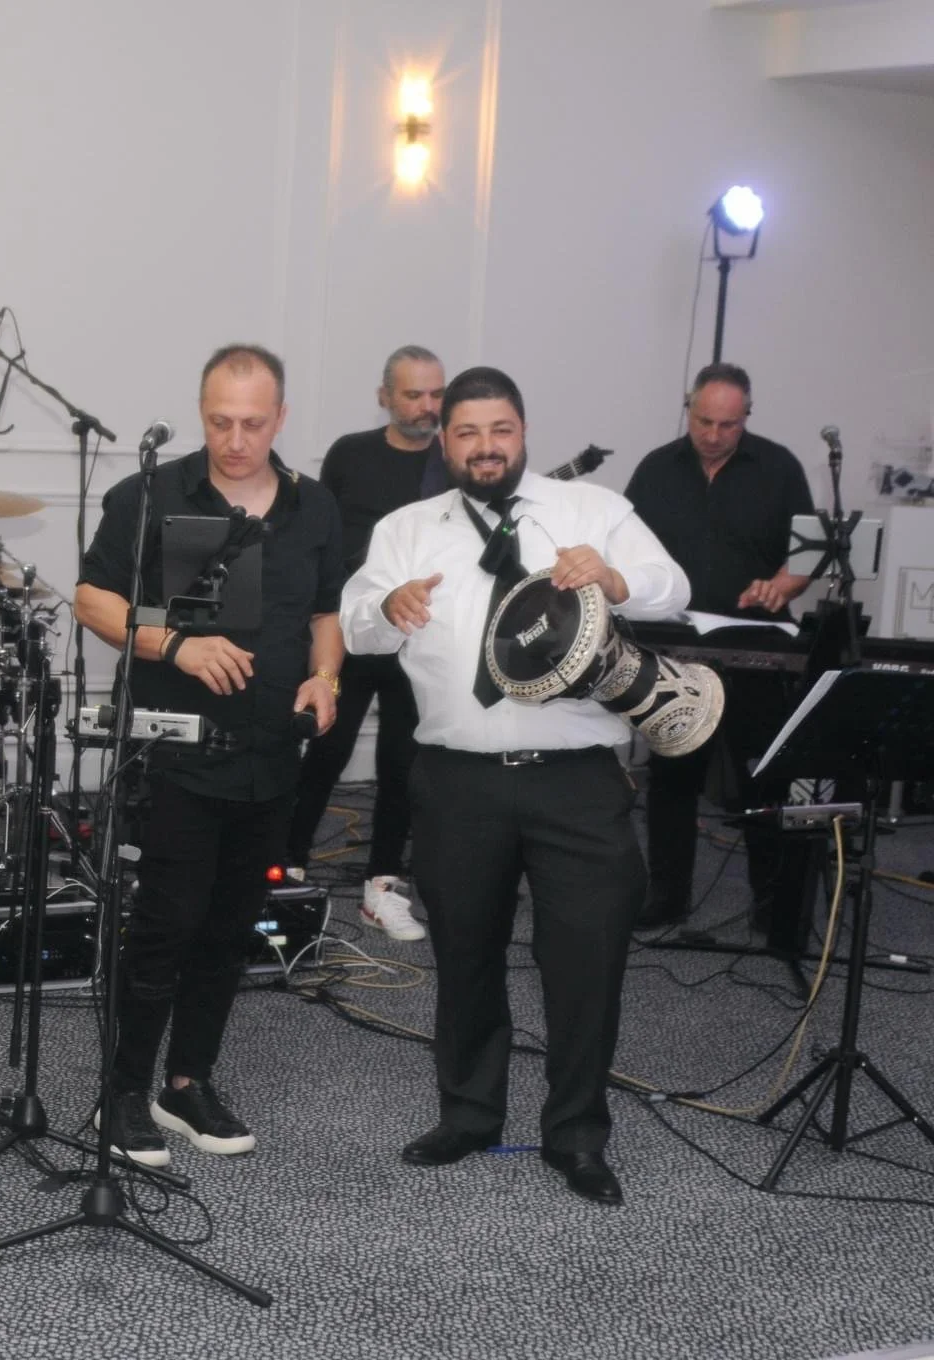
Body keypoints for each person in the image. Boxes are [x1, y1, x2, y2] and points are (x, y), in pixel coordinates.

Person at [340, 365, 688, 1206]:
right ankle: (468, 1116)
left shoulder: (593, 510)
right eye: (467, 432)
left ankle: (576, 1134)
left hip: (577, 782)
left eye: (499, 430)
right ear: (444, 438)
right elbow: (352, 623)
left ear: (522, 431)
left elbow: (674, 589)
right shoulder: (406, 528)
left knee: (587, 963)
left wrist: (612, 578)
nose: (484, 446)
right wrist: (389, 612)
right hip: (458, 783)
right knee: (464, 956)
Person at [74, 343, 344, 1167]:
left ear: (281, 419)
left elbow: (328, 612)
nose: (234, 439)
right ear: (200, 413)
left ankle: (186, 1084)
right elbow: (92, 597)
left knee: (230, 930)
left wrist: (327, 676)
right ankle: (121, 1093)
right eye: (220, 421)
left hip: (272, 757)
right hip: (180, 758)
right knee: (166, 926)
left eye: (252, 423)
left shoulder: (315, 508)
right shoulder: (151, 493)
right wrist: (176, 645)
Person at [624, 363, 816, 930]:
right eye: (704, 421)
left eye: (727, 425)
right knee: (673, 777)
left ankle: (771, 905)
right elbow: (628, 551)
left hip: (758, 645)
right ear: (688, 409)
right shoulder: (657, 469)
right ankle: (668, 896)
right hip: (677, 645)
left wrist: (783, 584)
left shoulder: (780, 467)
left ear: (747, 417)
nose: (712, 434)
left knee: (763, 775)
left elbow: (806, 557)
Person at [287, 344, 446, 939]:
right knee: (324, 751)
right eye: (413, 394)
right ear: (385, 396)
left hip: (419, 634)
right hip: (350, 633)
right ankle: (289, 870)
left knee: (403, 763)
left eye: (436, 394)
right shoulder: (351, 454)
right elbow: (321, 539)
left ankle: (383, 887)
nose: (427, 406)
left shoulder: (453, 464)